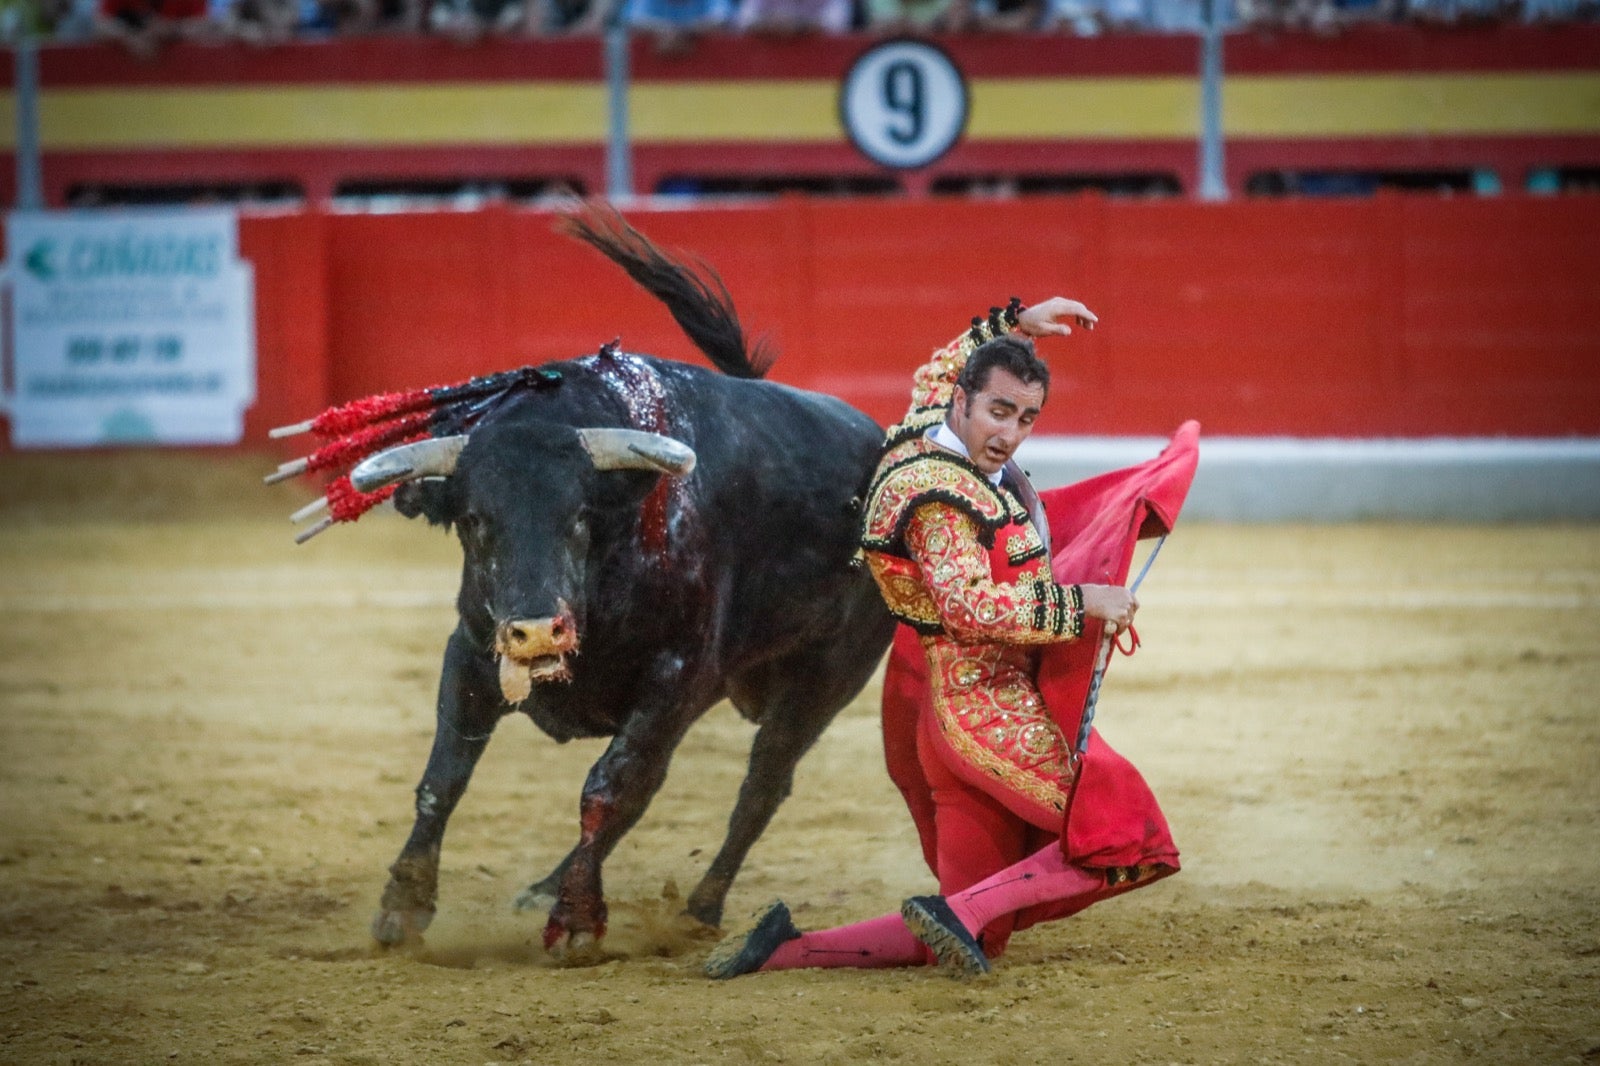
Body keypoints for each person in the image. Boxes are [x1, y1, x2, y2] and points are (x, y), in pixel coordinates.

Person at [707, 295, 1181, 979]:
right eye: (999, 412)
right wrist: (1082, 603)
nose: (1011, 434)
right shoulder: (939, 497)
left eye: (1026, 418)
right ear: (964, 404)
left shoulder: (927, 426)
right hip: (986, 714)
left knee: (971, 931)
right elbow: (968, 605)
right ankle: (964, 911)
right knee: (1130, 844)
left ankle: (782, 950)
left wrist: (1016, 323)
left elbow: (937, 368)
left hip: (946, 714)